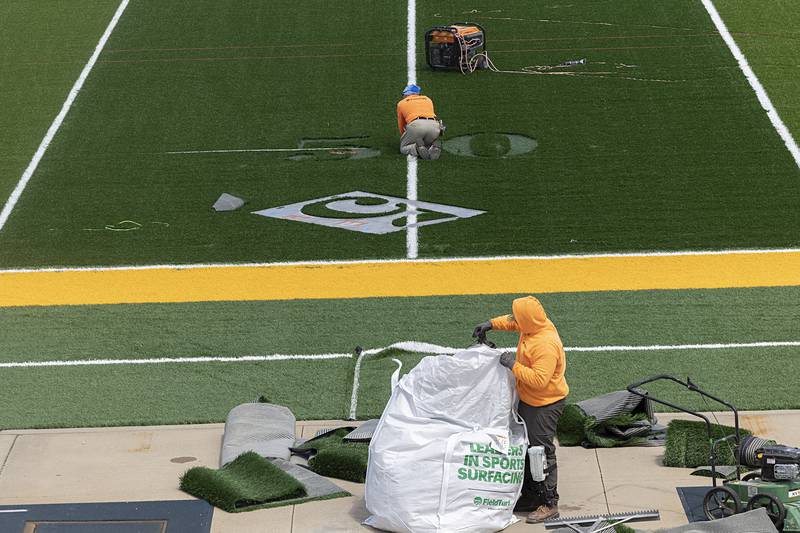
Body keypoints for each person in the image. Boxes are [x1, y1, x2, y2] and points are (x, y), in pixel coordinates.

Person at [473, 295, 569, 523]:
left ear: (528, 321)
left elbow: (539, 380)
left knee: (541, 453)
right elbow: (513, 321)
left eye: (518, 317)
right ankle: (531, 495)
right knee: (527, 450)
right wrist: (491, 324)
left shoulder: (544, 344)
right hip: (531, 401)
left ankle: (549, 502)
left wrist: (512, 364)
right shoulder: (534, 325)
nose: (513, 319)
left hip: (545, 405)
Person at [396, 84, 443, 160]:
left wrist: (405, 136)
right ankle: (432, 146)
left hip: (416, 125)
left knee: (403, 148)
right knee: (425, 143)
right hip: (435, 126)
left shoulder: (401, 103)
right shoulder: (428, 99)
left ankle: (416, 148)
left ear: (406, 94)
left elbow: (401, 124)